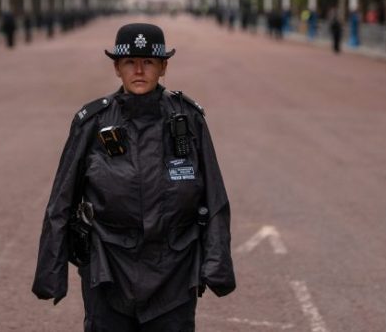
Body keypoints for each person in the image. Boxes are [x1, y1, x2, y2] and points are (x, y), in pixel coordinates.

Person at [33, 23, 235, 329]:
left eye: (149, 62)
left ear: (163, 66)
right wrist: (51, 273)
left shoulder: (189, 120)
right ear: (117, 68)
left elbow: (215, 198)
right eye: (130, 62)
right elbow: (61, 201)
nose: (139, 70)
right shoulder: (91, 124)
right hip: (108, 273)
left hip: (175, 275)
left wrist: (216, 264)